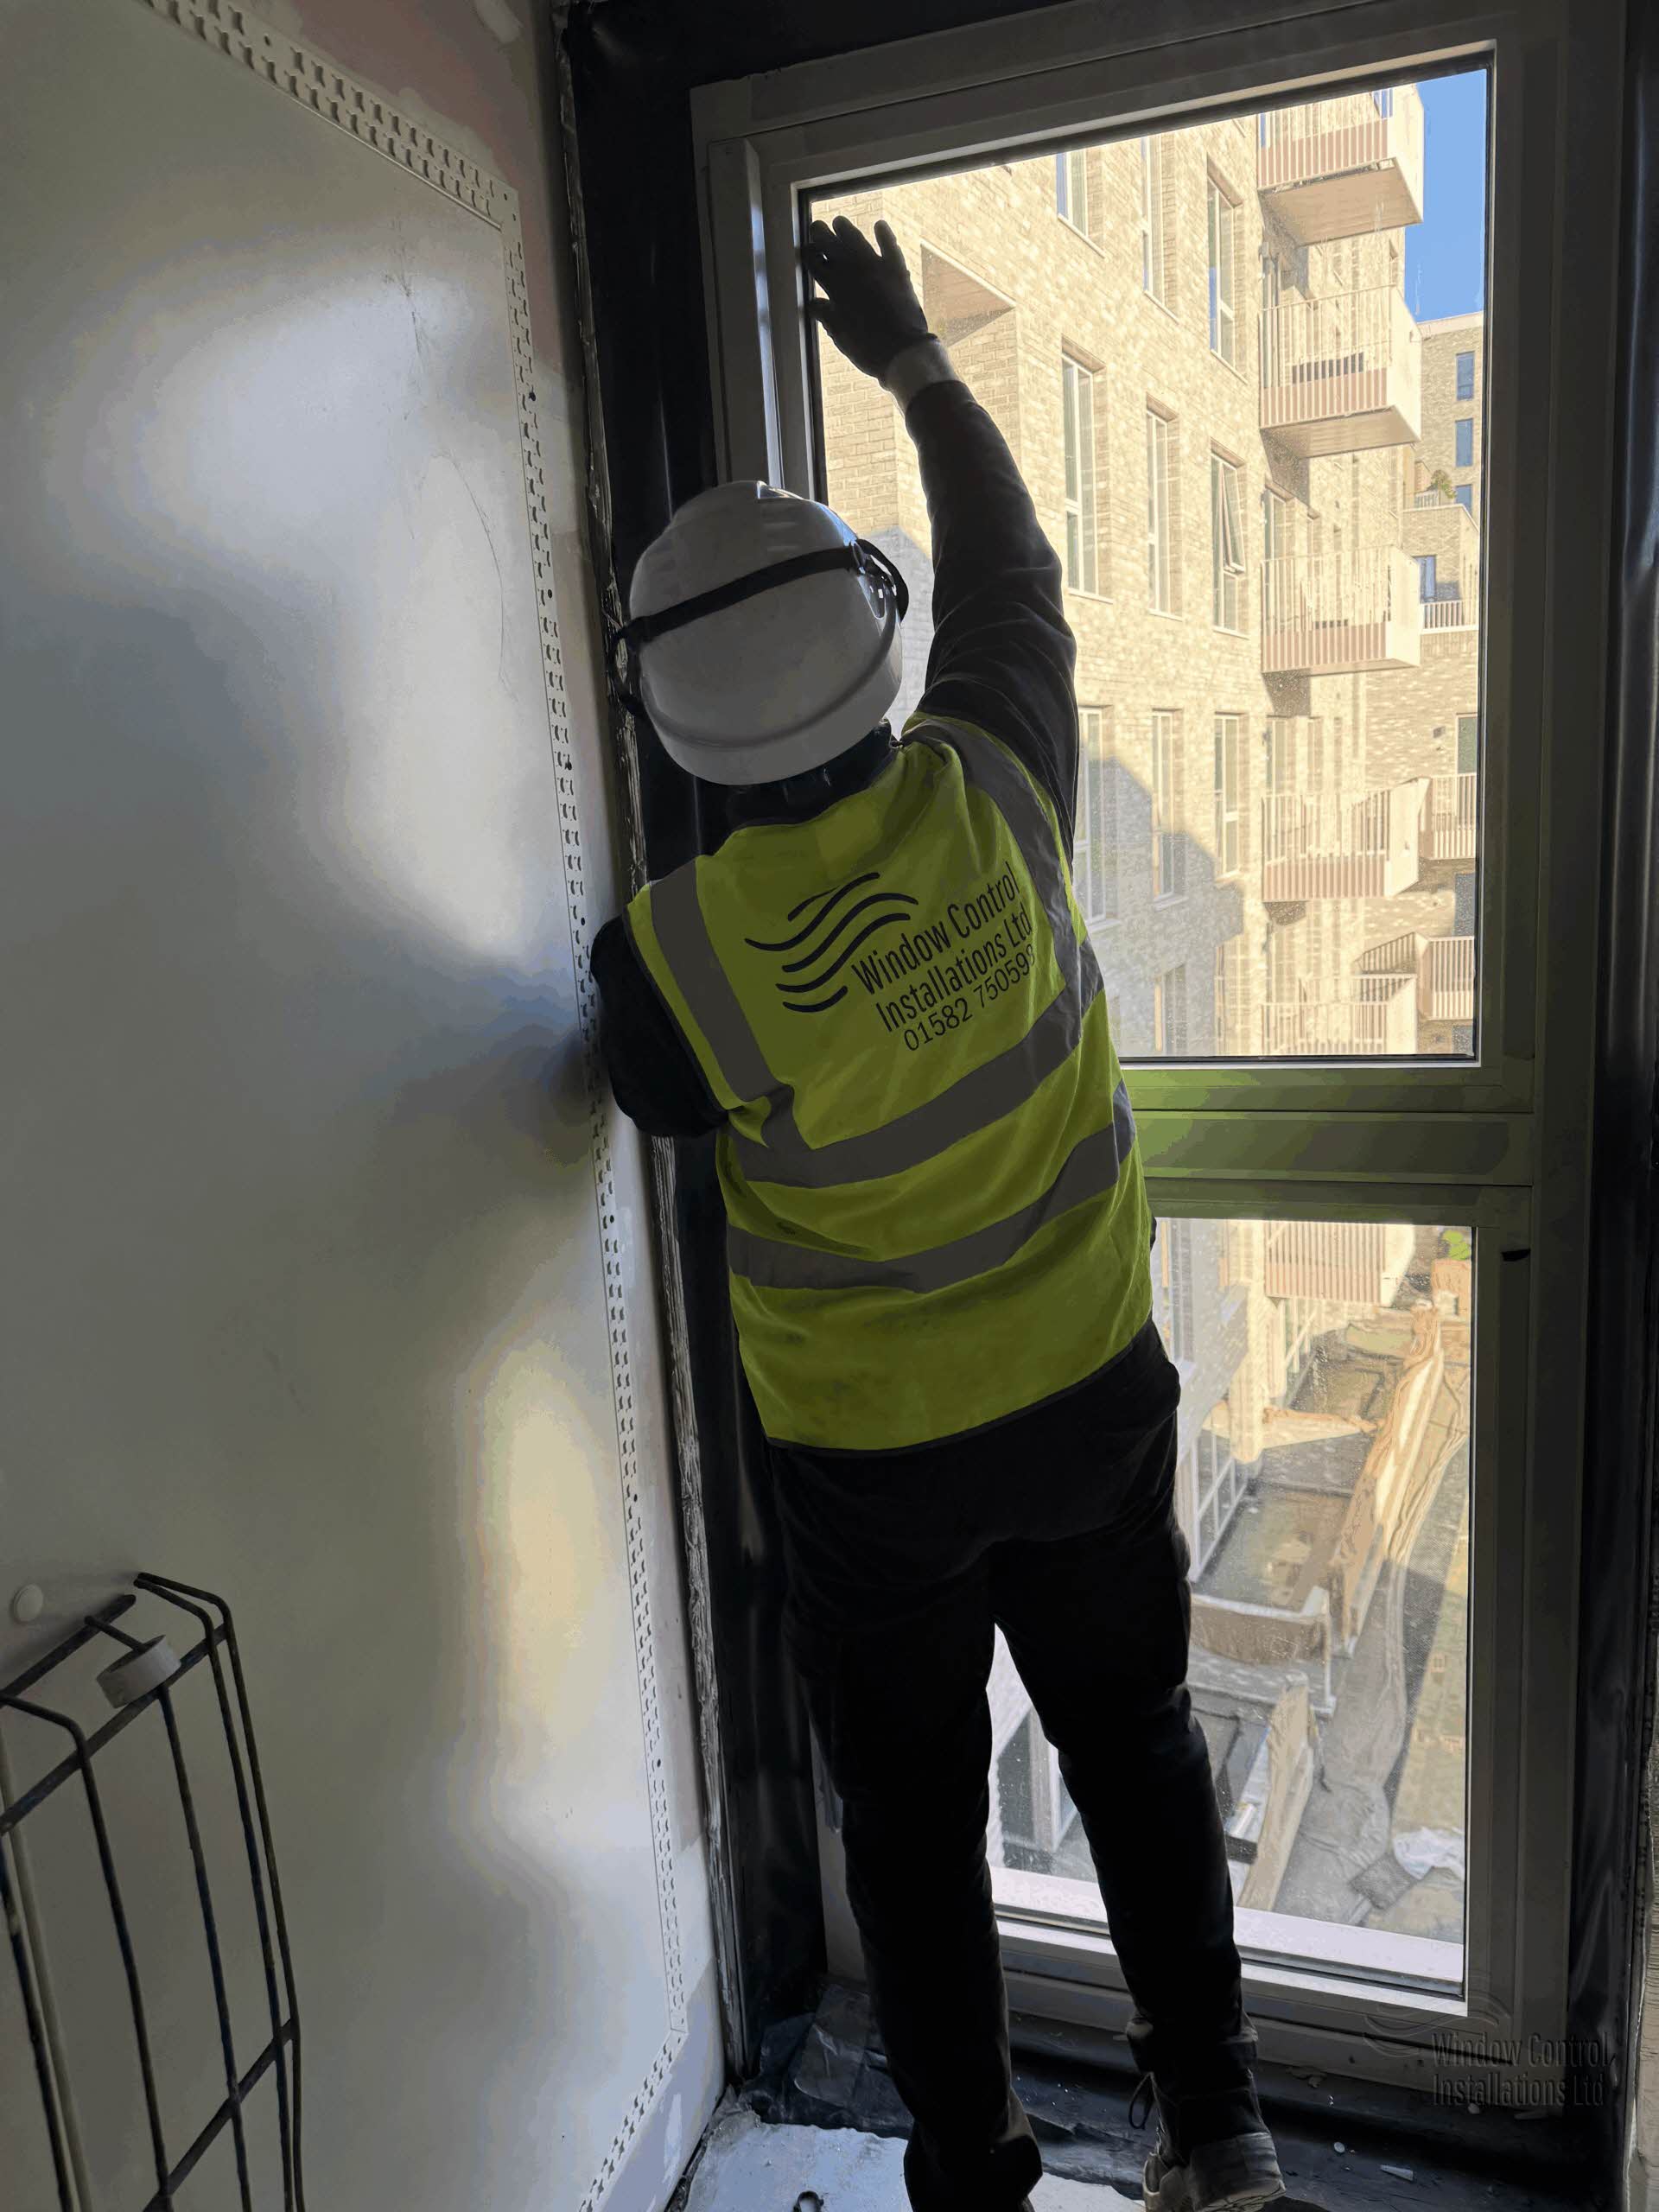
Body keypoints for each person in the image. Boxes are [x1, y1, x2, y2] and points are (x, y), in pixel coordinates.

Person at [589, 213, 1287, 2212]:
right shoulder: (998, 779)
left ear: (674, 730)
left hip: (871, 1471)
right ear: (875, 651)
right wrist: (915, 364)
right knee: (1137, 1749)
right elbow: (1011, 572)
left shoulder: (674, 960)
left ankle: (974, 2170)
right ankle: (1219, 2135)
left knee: (910, 1815)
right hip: (1087, 1399)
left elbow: (653, 1088)